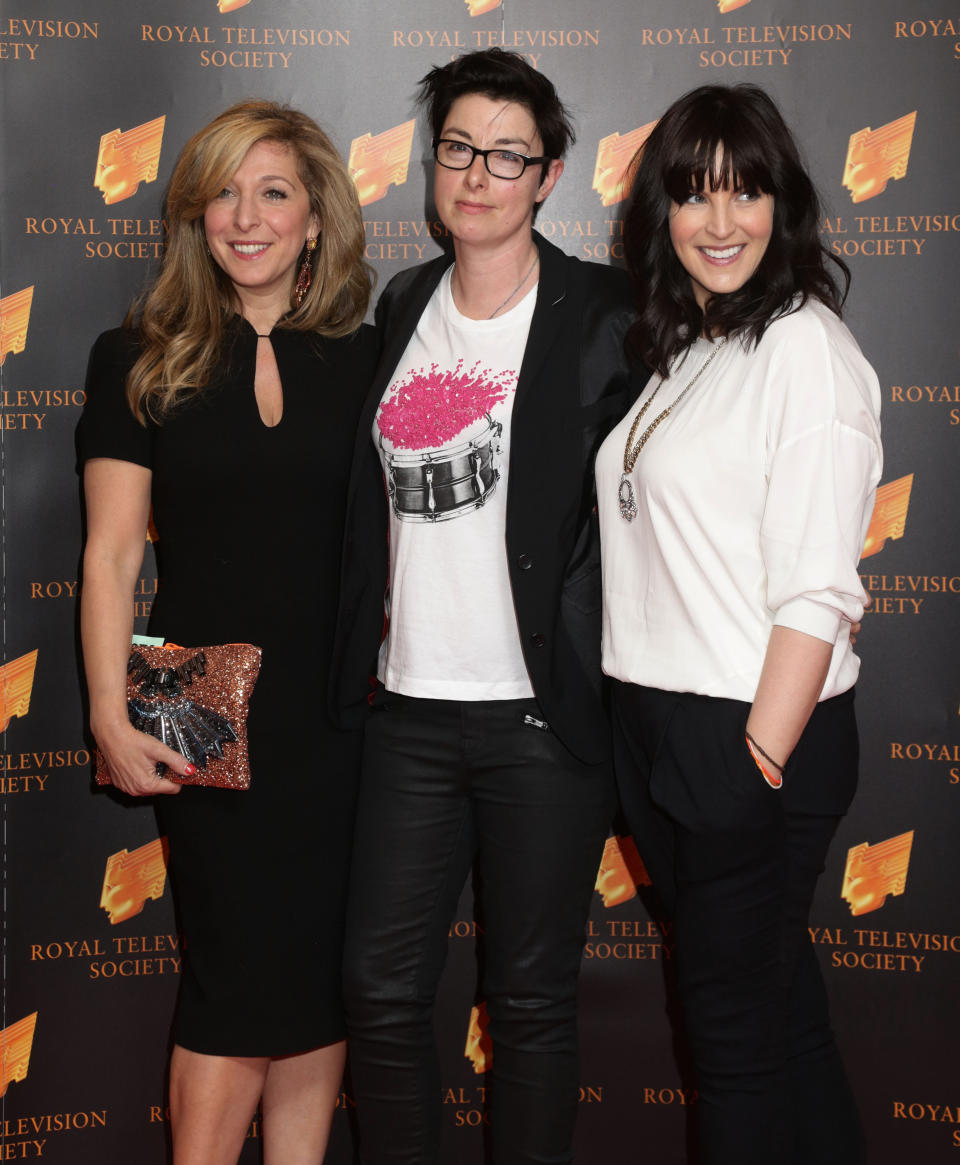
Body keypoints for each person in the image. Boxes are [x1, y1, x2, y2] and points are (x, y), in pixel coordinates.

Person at [332, 49, 639, 1165]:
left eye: (507, 155)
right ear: (433, 162)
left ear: (549, 174)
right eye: (458, 147)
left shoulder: (606, 315)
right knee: (379, 988)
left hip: (540, 719)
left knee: (531, 1002)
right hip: (407, 711)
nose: (477, 174)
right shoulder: (402, 302)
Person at [77, 100, 376, 1165]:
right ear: (195, 213)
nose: (245, 217)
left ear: (314, 217)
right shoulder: (136, 356)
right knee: (230, 977)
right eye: (222, 192)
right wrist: (110, 711)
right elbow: (112, 555)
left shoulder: (367, 356)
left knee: (314, 976)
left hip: (346, 711)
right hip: (197, 699)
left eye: (274, 191)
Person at [596, 84, 881, 1164]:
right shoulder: (695, 343)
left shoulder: (806, 348)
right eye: (693, 193)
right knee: (778, 1021)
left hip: (749, 733)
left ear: (783, 204)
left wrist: (753, 758)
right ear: (661, 213)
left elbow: (818, 590)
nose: (721, 221)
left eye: (745, 190)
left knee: (732, 1044)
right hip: (666, 726)